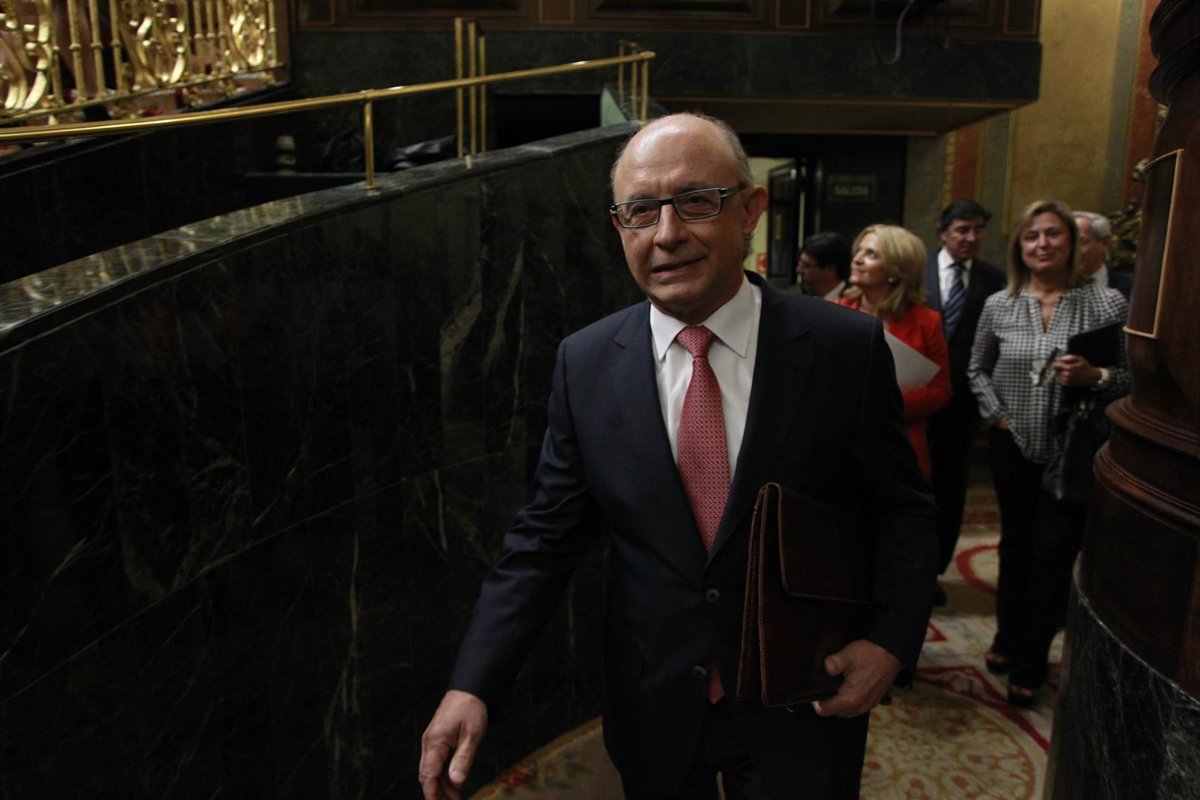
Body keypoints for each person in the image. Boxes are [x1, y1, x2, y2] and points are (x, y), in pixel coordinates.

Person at [418, 113, 938, 800]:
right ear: (620, 228)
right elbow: (543, 540)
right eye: (640, 211)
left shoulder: (844, 348)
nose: (666, 234)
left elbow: (901, 509)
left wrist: (891, 640)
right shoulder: (586, 363)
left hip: (804, 696)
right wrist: (473, 683)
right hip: (653, 701)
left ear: (750, 209)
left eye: (695, 201)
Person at [967, 199, 1128, 708]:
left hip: (1071, 447)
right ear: (1020, 245)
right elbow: (976, 369)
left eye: (1053, 234)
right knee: (1014, 545)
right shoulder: (1000, 303)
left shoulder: (1105, 304)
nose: (1043, 244)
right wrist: (998, 415)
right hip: (1012, 445)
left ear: (1072, 242)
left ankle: (1030, 661)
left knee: (1053, 554)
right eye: (1032, 235)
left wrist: (1094, 376)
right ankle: (1007, 636)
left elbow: (1129, 378)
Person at [923, 200, 1006, 603]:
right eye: (962, 230)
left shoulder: (995, 279)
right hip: (916, 397)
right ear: (943, 233)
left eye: (977, 230)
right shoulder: (917, 271)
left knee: (950, 487)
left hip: (962, 404)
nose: (971, 238)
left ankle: (935, 568)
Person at [839, 225, 952, 480]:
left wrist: (883, 403)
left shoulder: (927, 322)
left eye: (871, 254)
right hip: (842, 443)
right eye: (858, 251)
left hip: (901, 443)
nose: (857, 259)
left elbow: (941, 391)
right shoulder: (835, 311)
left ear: (896, 270)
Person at [1074, 210, 1133, 299]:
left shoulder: (1133, 287)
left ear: (1105, 244)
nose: (1071, 250)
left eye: (1080, 242)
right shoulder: (1053, 287)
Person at [795, 231, 851, 300]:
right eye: (799, 264)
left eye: (805, 266)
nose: (798, 270)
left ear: (829, 270)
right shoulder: (796, 296)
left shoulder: (853, 300)